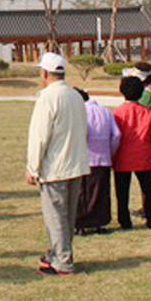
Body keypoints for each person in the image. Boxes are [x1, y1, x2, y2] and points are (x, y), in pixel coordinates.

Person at [25, 53, 88, 276]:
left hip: (55, 167)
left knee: (56, 217)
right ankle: (58, 254)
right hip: (76, 163)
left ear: (44, 73)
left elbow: (39, 136)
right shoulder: (75, 95)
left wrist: (32, 167)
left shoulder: (47, 98)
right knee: (67, 216)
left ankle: (63, 261)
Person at [112, 76, 151, 230]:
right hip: (144, 154)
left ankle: (124, 220)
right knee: (148, 189)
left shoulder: (117, 113)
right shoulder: (147, 112)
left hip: (122, 156)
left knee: (122, 191)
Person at [74, 88, 118, 234]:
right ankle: (99, 222)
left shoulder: (80, 113)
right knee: (101, 193)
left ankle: (81, 223)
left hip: (85, 158)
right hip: (104, 158)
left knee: (83, 192)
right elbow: (116, 135)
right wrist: (110, 151)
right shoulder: (106, 111)